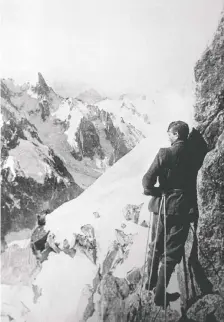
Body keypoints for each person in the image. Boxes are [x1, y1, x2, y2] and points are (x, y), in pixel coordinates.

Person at [142, 121, 198, 307]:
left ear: (175, 135)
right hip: (181, 208)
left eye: (169, 133)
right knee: (171, 253)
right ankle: (159, 294)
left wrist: (154, 191)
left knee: (155, 246)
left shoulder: (164, 153)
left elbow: (147, 180)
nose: (168, 136)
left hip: (162, 205)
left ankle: (149, 284)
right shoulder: (193, 156)